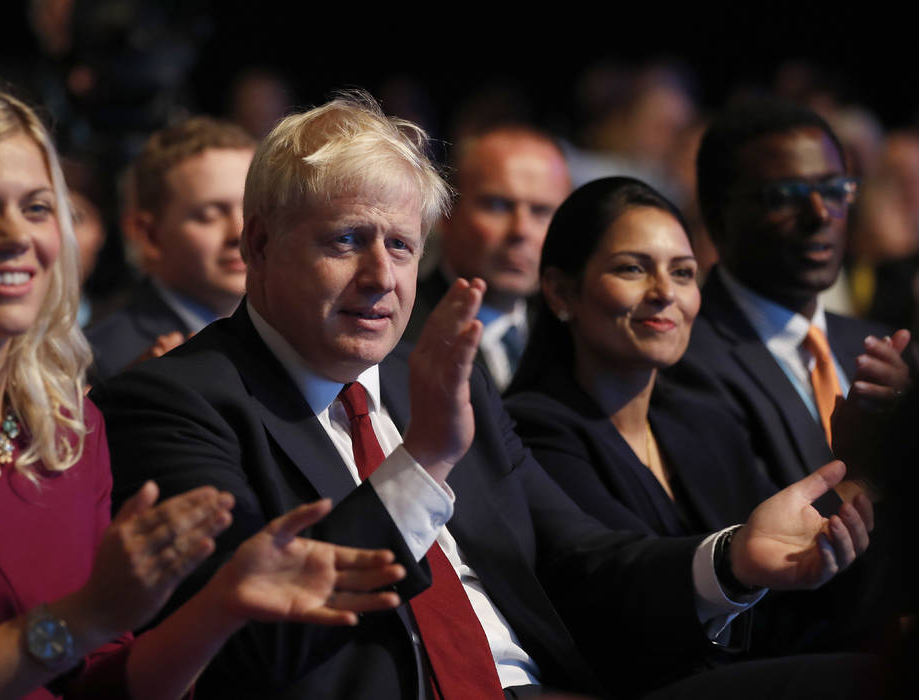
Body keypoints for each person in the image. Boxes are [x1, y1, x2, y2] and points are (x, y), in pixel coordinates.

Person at [92, 92, 879, 700]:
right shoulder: (173, 401)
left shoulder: (427, 377)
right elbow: (248, 648)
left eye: (401, 245)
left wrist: (732, 559)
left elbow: (579, 559)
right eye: (345, 240)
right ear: (258, 244)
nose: (382, 278)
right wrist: (424, 459)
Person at [0, 83, 405, 700]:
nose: (15, 235)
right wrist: (81, 619)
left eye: (39, 207)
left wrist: (221, 607)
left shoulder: (71, 429)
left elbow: (106, 682)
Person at [504, 176, 908, 656]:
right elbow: (612, 586)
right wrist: (736, 559)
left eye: (682, 272)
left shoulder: (699, 419)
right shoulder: (530, 429)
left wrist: (872, 474)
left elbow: (781, 603)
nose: (665, 292)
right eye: (632, 268)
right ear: (559, 292)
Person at [666, 98, 911, 488]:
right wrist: (865, 470)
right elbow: (752, 530)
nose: (819, 215)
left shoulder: (887, 353)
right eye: (784, 196)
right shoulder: (680, 359)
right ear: (715, 216)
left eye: (835, 190)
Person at [403, 125, 571, 389]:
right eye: (498, 205)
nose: (521, 230)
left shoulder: (574, 337)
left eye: (541, 211)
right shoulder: (399, 336)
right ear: (445, 212)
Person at [87, 117, 255, 380]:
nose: (239, 232)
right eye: (209, 215)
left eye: (251, 209)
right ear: (149, 235)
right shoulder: (102, 359)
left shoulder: (290, 333)